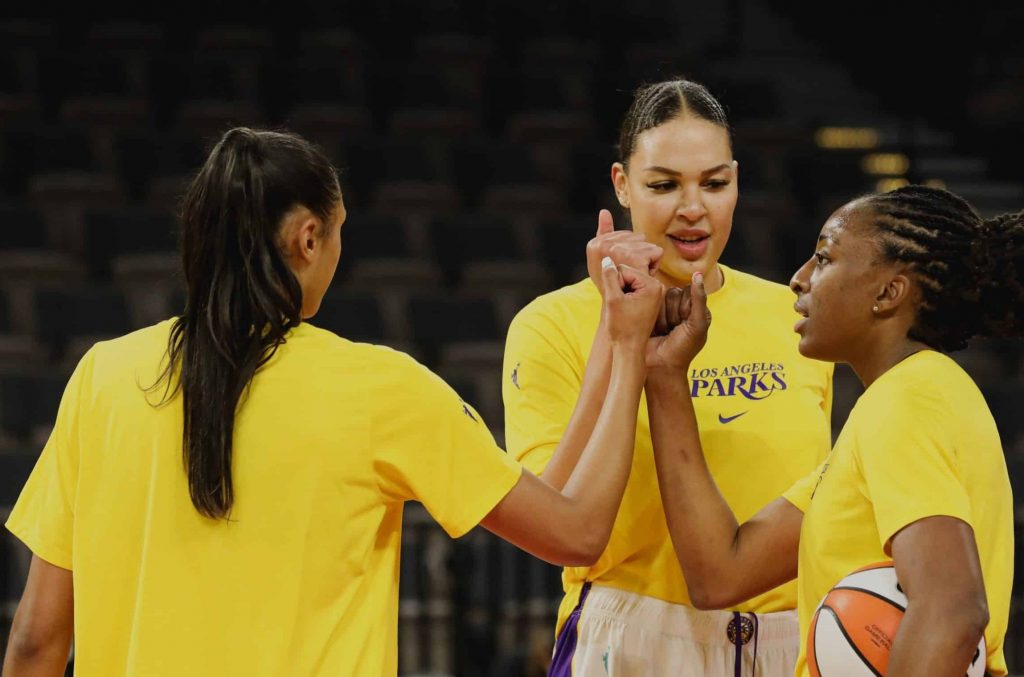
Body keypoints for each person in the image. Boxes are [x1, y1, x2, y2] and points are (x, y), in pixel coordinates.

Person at [2, 127, 667, 676]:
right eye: (340, 233)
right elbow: (574, 531)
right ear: (310, 237)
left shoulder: (101, 378)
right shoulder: (379, 388)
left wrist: (610, 335)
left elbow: (36, 640)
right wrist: (633, 347)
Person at [503, 78, 834, 675]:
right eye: (663, 185)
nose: (693, 208)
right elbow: (548, 519)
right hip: (631, 637)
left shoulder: (797, 315)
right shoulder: (550, 324)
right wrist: (616, 330)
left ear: (737, 180)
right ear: (621, 185)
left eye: (714, 183)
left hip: (793, 640)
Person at [645, 185, 1019, 677]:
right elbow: (722, 572)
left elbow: (951, 609)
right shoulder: (907, 401)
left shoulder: (908, 399)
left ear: (888, 293)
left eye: (824, 258)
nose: (799, 279)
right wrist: (666, 376)